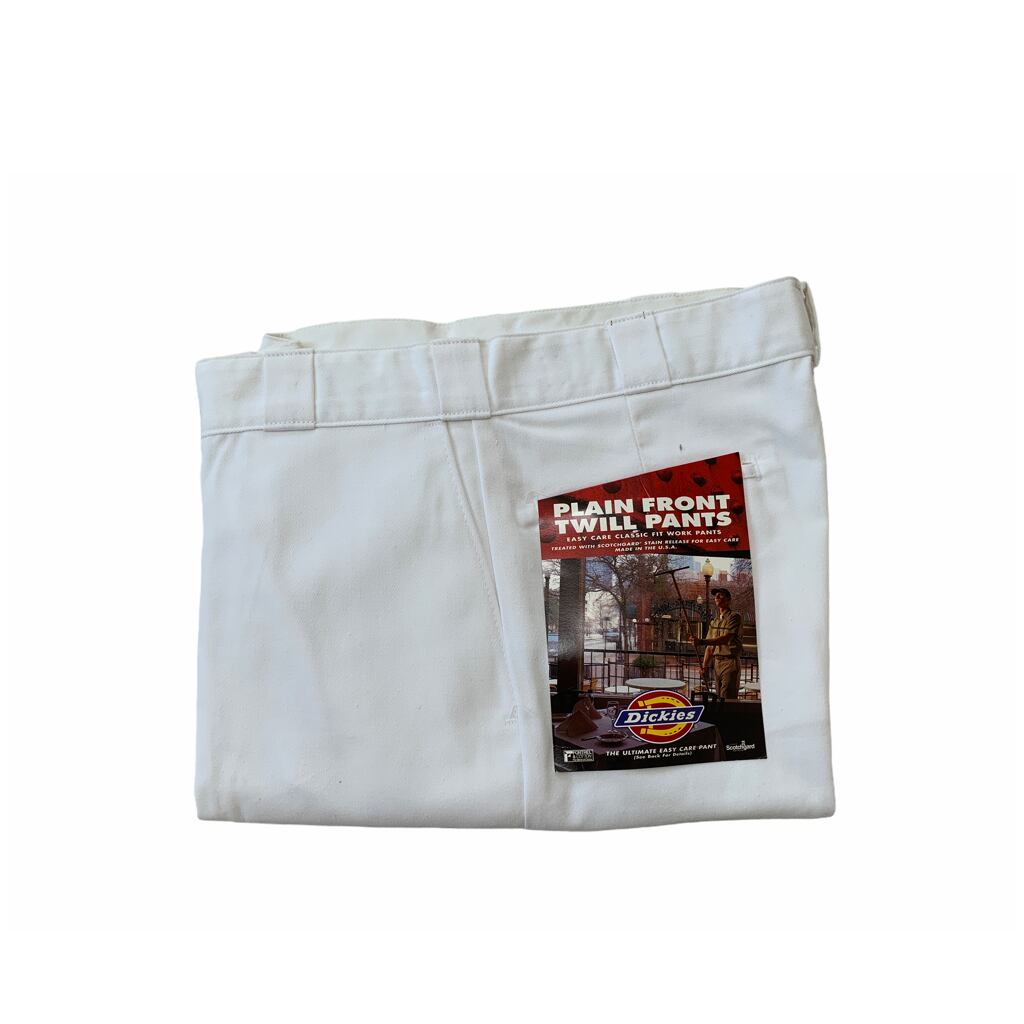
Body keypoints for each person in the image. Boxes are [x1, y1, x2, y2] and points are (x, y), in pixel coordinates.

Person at [701, 588, 743, 699]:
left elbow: (726, 639)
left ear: (728, 600)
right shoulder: (715, 621)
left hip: (730, 662)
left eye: (720, 595)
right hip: (717, 663)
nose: (717, 597)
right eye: (716, 595)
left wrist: (701, 641)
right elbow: (710, 647)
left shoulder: (734, 617)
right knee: (719, 698)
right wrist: (704, 667)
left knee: (727, 699)